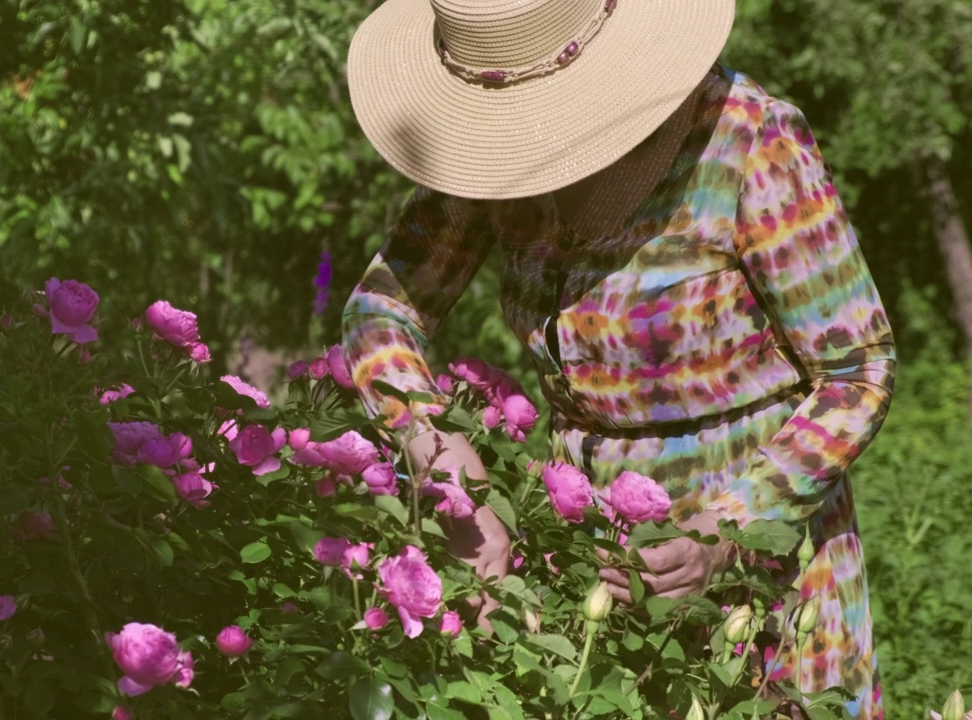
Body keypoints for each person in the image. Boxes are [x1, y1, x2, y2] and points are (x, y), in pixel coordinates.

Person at [339, 0, 895, 718]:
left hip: (761, 566)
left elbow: (857, 372)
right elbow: (380, 310)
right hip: (584, 566)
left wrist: (723, 533)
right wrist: (442, 460)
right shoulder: (503, 158)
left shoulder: (746, 142)